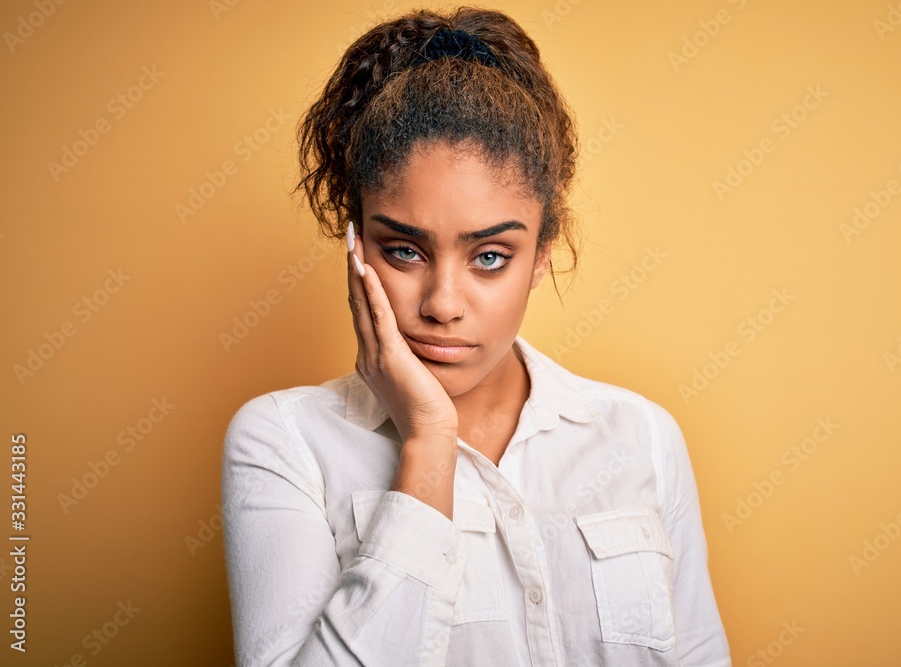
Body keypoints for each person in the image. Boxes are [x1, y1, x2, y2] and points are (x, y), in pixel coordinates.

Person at [221, 6, 731, 666]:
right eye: (404, 249)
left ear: (542, 253)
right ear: (356, 247)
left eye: (490, 256)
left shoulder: (643, 438)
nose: (442, 303)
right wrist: (429, 443)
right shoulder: (285, 443)